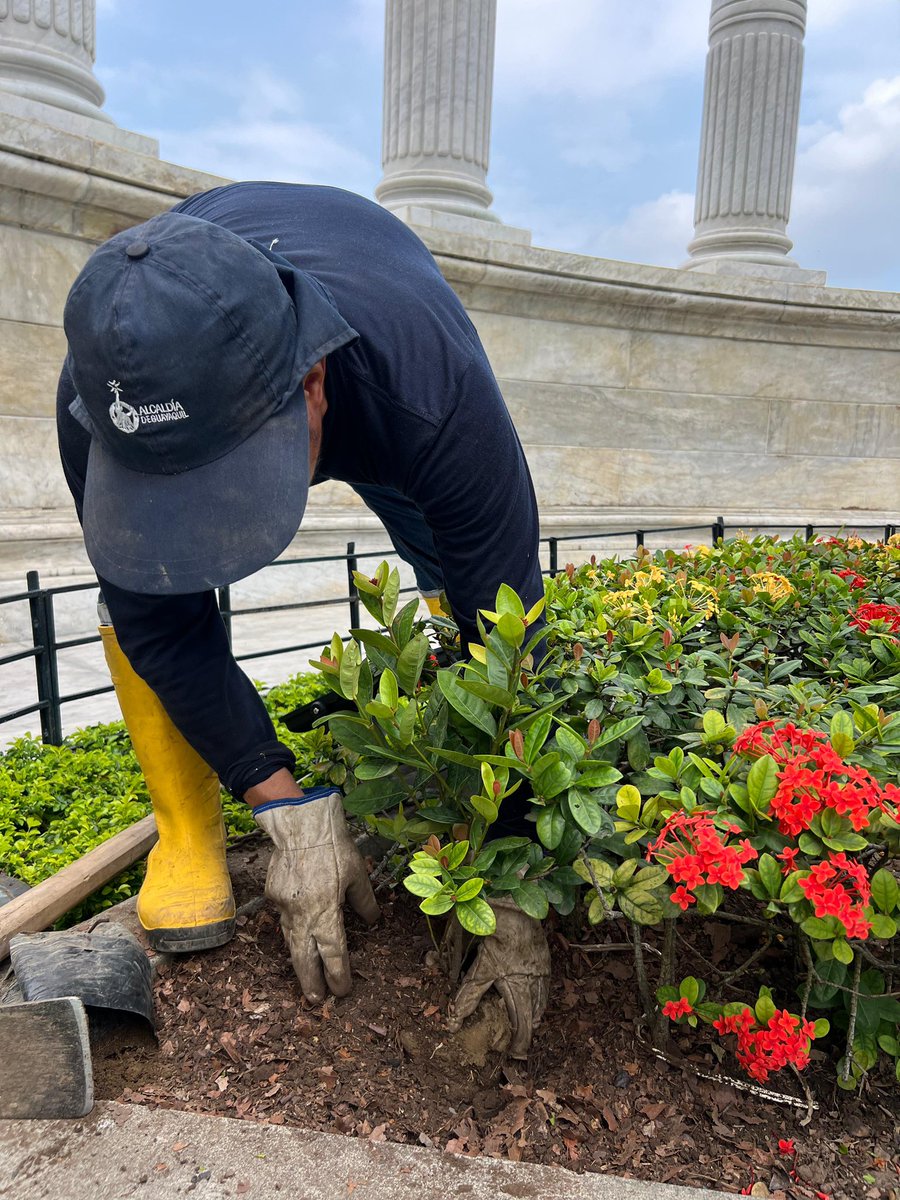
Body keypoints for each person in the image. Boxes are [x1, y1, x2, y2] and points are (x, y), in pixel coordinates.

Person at [57, 183, 549, 1055]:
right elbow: (159, 622)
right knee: (139, 583)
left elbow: (507, 623)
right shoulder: (102, 399)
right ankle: (188, 832)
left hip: (382, 327)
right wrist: (282, 805)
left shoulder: (432, 393)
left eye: (231, 476)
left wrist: (510, 879)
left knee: (458, 582)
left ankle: (467, 795)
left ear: (312, 382)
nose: (206, 525)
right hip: (219, 297)